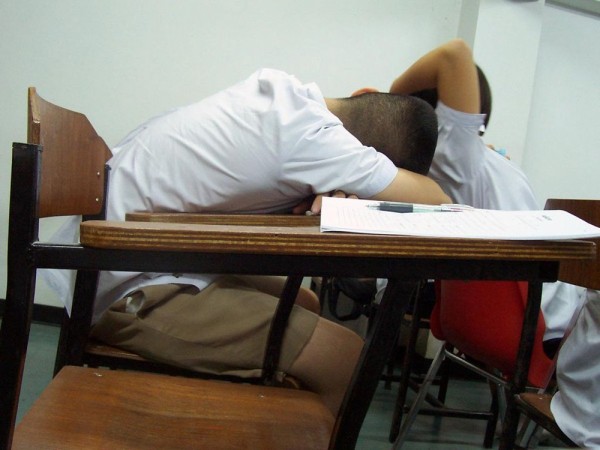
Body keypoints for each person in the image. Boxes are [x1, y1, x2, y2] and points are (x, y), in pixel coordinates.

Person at [43, 67, 450, 416]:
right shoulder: (317, 141)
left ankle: (262, 420)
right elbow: (440, 202)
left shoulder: (279, 90)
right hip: (122, 288)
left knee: (305, 301)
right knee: (343, 359)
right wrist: (355, 183)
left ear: (360, 93)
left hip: (119, 257)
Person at [371, 39, 585, 358]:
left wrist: (394, 96)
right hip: (539, 317)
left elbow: (454, 54)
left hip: (533, 321)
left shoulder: (451, 156)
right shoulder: (473, 162)